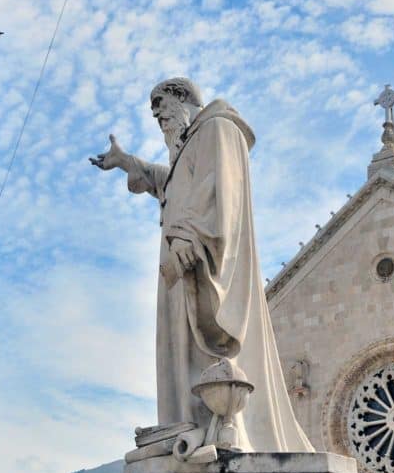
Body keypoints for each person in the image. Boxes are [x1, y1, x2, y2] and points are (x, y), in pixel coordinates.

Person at [90, 77, 312, 453]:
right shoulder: (193, 144)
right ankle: (191, 429)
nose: (157, 114)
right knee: (182, 357)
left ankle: (222, 430)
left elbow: (218, 189)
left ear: (183, 98)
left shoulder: (218, 128)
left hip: (200, 260)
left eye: (160, 104)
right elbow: (173, 183)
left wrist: (190, 237)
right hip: (182, 266)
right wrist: (128, 162)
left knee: (208, 356)